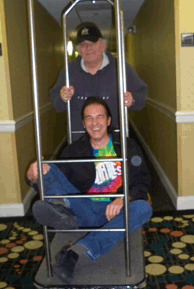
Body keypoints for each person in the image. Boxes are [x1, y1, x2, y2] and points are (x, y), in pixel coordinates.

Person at [27, 97, 152, 284]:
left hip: (114, 212)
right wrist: (34, 176)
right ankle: (62, 209)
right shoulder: (74, 150)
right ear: (84, 123)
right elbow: (55, 180)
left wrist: (123, 199)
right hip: (83, 207)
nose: (95, 123)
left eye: (100, 117)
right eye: (89, 118)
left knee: (144, 208)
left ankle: (74, 252)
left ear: (109, 121)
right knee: (49, 168)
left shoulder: (127, 145)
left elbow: (143, 180)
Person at [50, 22, 148, 140]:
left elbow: (141, 96)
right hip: (80, 141)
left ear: (103, 46)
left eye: (92, 43)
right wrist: (63, 98)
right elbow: (57, 104)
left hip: (114, 140)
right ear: (79, 50)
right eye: (83, 44)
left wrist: (132, 100)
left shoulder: (120, 68)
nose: (88, 48)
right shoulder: (68, 71)